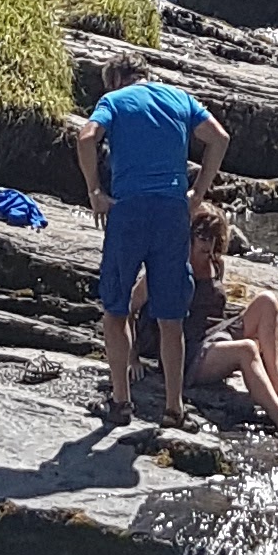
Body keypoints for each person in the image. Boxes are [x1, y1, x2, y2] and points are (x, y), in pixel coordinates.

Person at [71, 66, 227, 427]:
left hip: (129, 212)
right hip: (172, 213)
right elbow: (219, 138)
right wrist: (198, 193)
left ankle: (121, 403)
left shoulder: (114, 101)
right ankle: (174, 409)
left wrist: (95, 191)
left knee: (116, 309)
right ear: (145, 74)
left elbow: (85, 137)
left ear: (115, 80)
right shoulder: (180, 98)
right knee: (171, 317)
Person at [179, 205, 278, 436]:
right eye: (202, 244)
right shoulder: (175, 267)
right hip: (190, 353)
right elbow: (132, 308)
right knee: (247, 349)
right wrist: (132, 358)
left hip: (218, 332)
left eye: (212, 243)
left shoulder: (216, 264)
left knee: (267, 301)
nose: (208, 250)